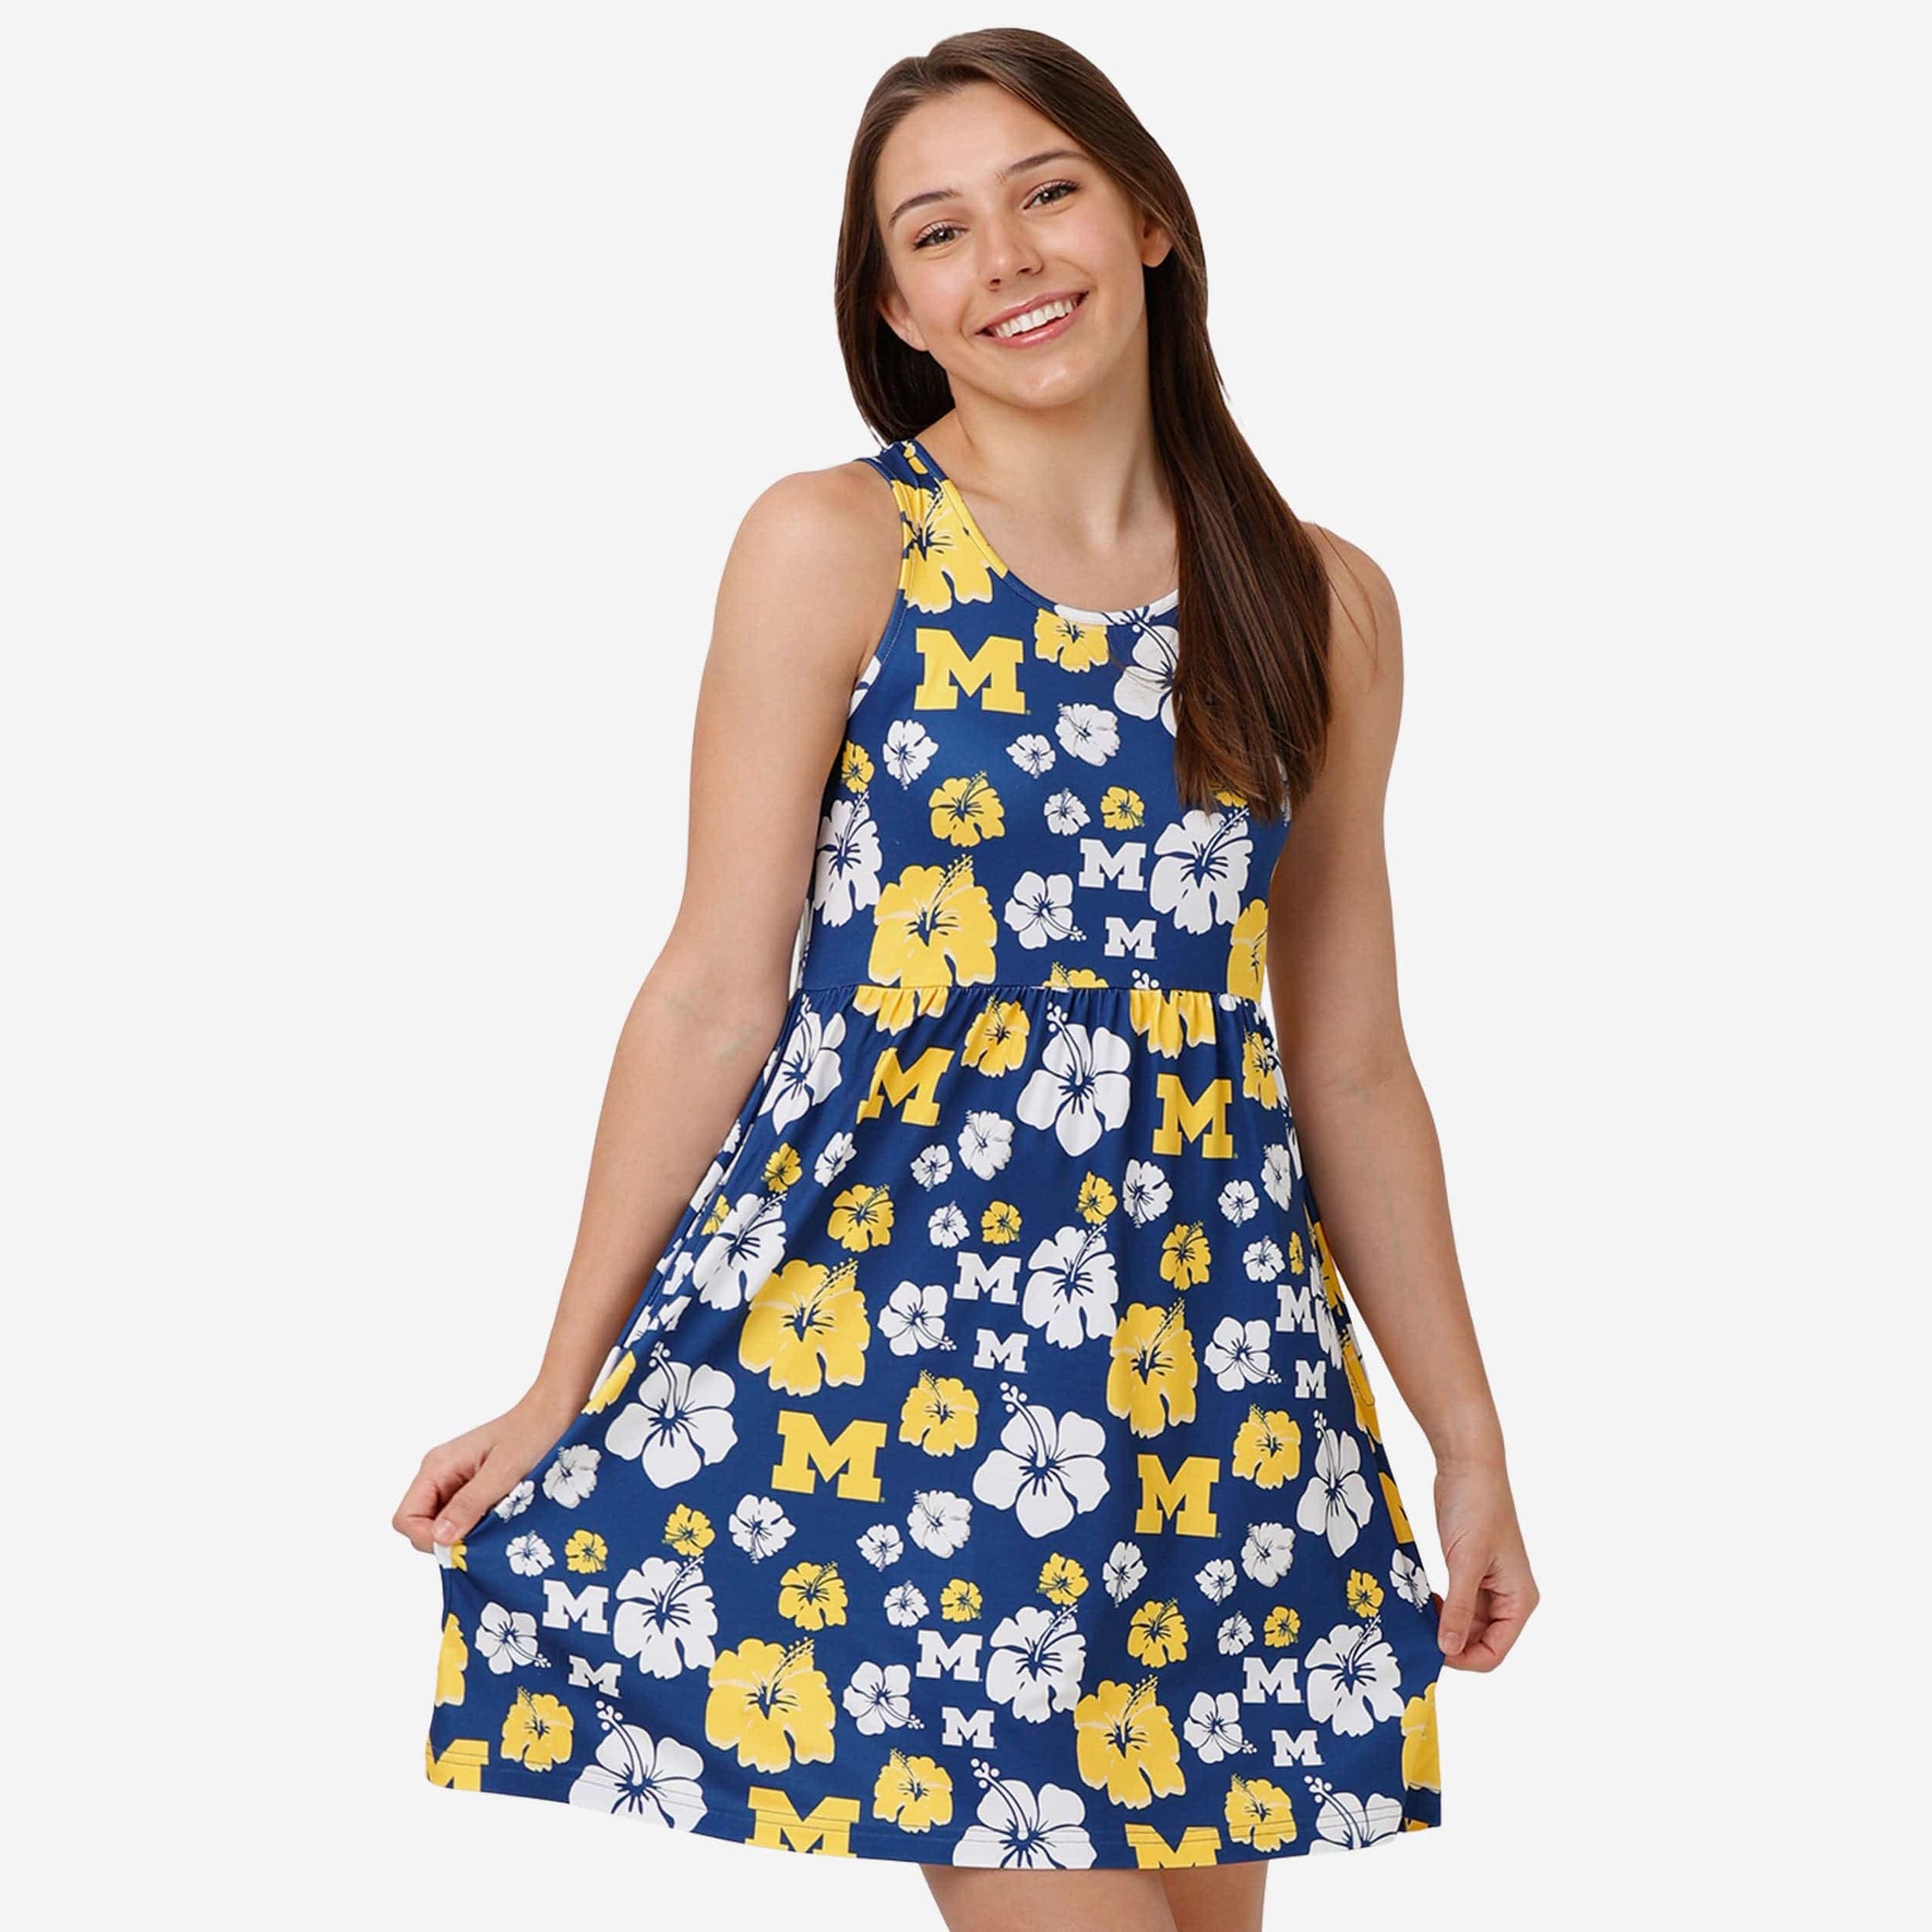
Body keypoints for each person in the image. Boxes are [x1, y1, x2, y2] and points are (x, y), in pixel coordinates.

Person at [396, 26, 1537, 1931]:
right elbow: (713, 991)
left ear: (1148, 217)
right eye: (936, 233)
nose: (1004, 259)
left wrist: (1467, 1439)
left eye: (1046, 194)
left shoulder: (1320, 598)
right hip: (908, 1367)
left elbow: (1348, 1064)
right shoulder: (835, 544)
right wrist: (558, 1378)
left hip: (1214, 1386)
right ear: (894, 306)